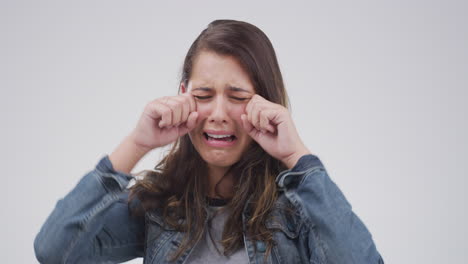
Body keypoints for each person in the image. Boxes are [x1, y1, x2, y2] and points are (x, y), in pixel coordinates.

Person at [34, 19, 384, 264]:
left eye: (237, 96)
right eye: (204, 94)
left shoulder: (298, 210)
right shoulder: (160, 206)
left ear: (266, 103)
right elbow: (55, 251)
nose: (218, 113)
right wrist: (137, 144)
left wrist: (297, 156)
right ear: (183, 96)